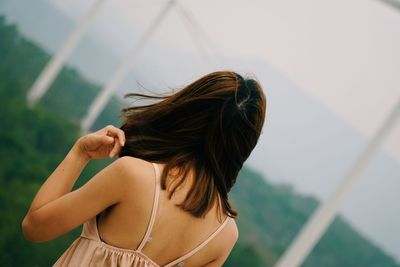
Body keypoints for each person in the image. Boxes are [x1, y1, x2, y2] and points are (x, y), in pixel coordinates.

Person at [22, 70, 267, 267]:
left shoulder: (132, 175)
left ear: (187, 111)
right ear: (243, 146)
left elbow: (36, 227)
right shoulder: (224, 235)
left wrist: (80, 153)